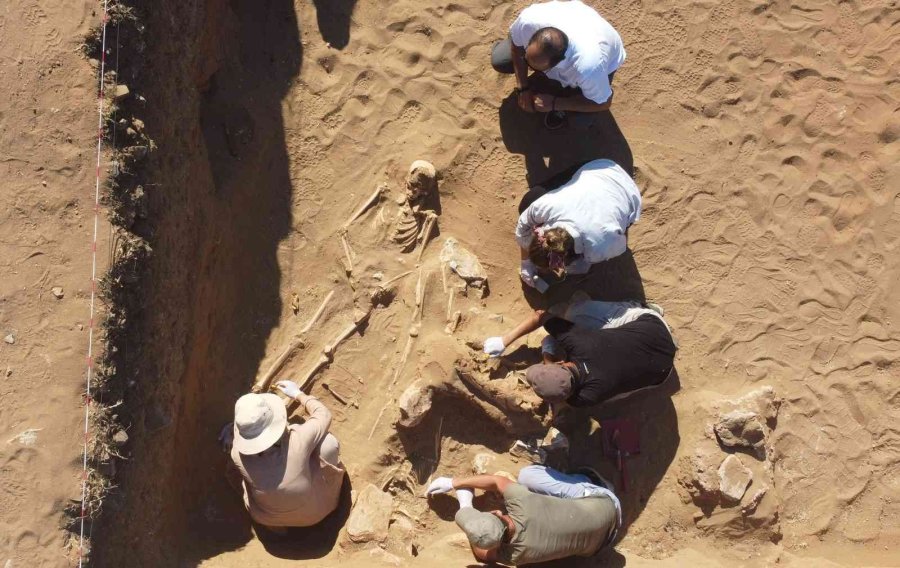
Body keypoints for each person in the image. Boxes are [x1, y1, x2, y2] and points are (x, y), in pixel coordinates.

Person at [482, 295, 676, 407]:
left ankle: (638, 308)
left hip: (661, 373)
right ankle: (640, 308)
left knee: (576, 312)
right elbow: (541, 315)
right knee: (575, 312)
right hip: (654, 330)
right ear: (561, 363)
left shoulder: (583, 398)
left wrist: (547, 356)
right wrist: (505, 340)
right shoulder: (580, 343)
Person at [425, 465, 621, 564]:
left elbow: (484, 554)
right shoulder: (522, 504)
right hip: (606, 504)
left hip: (601, 544)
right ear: (497, 513)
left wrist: (465, 505)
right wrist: (453, 482)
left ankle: (589, 482)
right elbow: (497, 481)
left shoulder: (517, 554)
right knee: (527, 475)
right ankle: (588, 480)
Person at [221, 380, 345, 531]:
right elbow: (323, 414)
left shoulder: (236, 454)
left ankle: (277, 529)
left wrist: (235, 434)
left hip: (266, 518)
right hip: (317, 513)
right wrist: (297, 394)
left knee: (243, 478)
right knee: (328, 443)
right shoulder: (298, 440)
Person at [491, 0, 626, 129]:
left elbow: (604, 103)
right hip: (580, 19)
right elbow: (516, 45)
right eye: (526, 59)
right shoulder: (529, 21)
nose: (528, 67)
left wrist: (555, 103)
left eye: (534, 68)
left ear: (557, 63)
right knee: (500, 60)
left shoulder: (587, 69)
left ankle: (572, 92)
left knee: (579, 122)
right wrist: (523, 87)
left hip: (603, 58)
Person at [516, 158, 641, 290]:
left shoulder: (599, 247)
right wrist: (526, 262)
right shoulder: (548, 206)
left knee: (591, 262)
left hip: (625, 192)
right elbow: (522, 228)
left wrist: (576, 267)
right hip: (598, 171)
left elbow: (620, 245)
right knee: (529, 202)